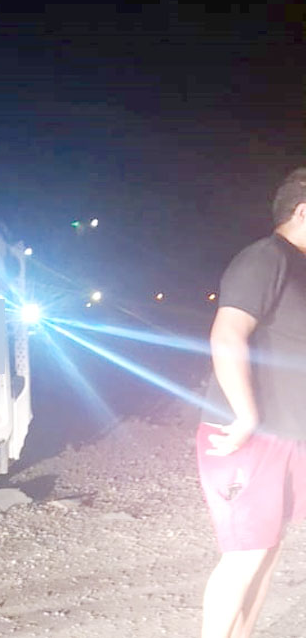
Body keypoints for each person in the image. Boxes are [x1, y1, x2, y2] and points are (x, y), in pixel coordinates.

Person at [198, 167, 306, 638]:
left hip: (288, 434)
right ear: (302, 211)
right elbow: (227, 333)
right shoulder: (266, 257)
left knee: (268, 550)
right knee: (245, 554)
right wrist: (245, 416)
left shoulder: (299, 266)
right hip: (247, 434)